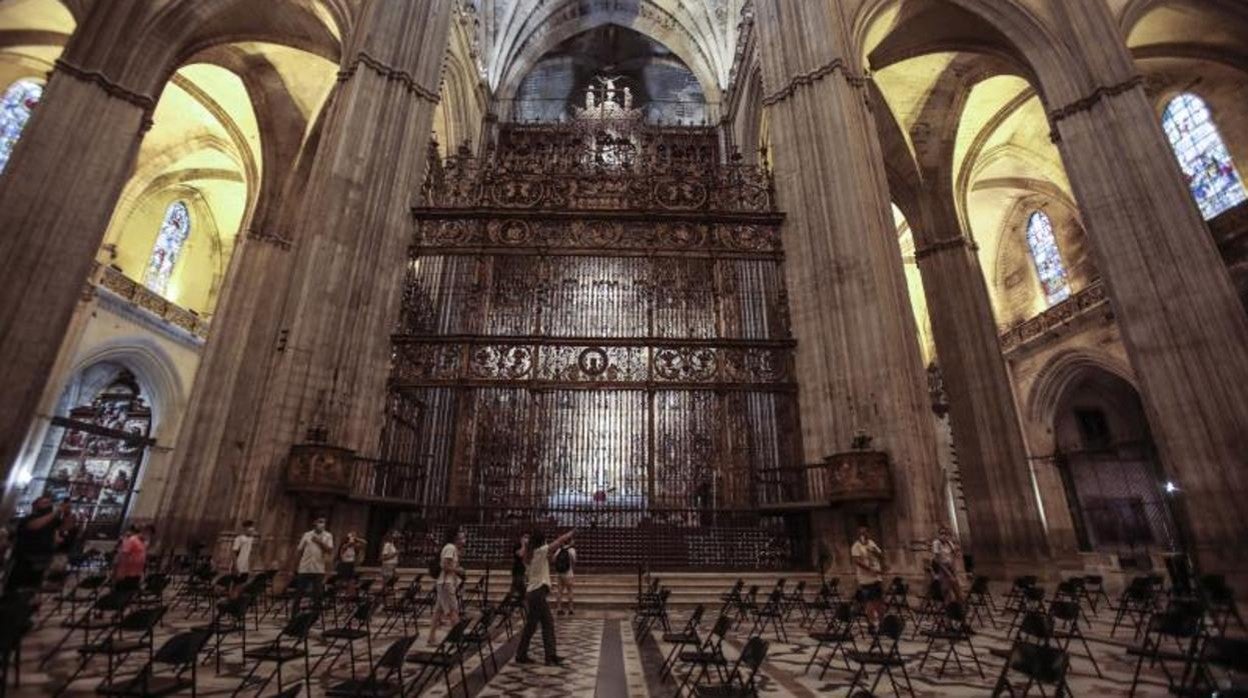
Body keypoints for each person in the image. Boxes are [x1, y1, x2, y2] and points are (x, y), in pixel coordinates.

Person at [516, 528, 577, 666]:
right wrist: (572, 532)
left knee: (533, 625)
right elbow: (558, 542)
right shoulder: (539, 551)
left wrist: (524, 543)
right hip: (538, 592)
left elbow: (523, 551)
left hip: (533, 592)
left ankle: (525, 654)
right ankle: (549, 656)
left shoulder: (528, 554)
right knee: (546, 623)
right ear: (542, 541)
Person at [8, 496, 69, 590]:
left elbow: (65, 527)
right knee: (18, 586)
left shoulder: (52, 520)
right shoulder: (28, 518)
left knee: (34, 586)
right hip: (26, 558)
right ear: (35, 505)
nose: (48, 505)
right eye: (44, 503)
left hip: (43, 557)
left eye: (49, 503)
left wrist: (67, 514)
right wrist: (55, 512)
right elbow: (35, 526)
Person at [428, 529, 465, 646]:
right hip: (446, 583)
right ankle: (459, 638)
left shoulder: (454, 549)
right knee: (453, 610)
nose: (464, 540)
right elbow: (444, 565)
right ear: (456, 538)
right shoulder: (450, 548)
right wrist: (458, 570)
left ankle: (431, 638)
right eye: (462, 537)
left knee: (438, 611)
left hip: (446, 582)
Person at [292, 517, 333, 615]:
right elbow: (299, 550)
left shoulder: (328, 535)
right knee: (299, 592)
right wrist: (295, 565)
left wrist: (319, 541)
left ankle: (315, 615)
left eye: (323, 522)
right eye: (319, 522)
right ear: (314, 523)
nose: (321, 524)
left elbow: (329, 550)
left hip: (318, 568)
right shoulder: (307, 535)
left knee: (317, 594)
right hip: (305, 567)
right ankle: (294, 614)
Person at [850, 526, 885, 625]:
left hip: (876, 576)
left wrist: (875, 552)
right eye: (862, 533)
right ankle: (872, 623)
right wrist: (869, 569)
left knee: (879, 600)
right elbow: (856, 561)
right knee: (869, 601)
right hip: (865, 578)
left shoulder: (871, 543)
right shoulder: (856, 546)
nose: (864, 535)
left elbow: (880, 554)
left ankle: (881, 622)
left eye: (865, 533)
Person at [931, 525, 963, 604]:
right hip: (941, 567)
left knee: (956, 586)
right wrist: (948, 572)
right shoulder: (936, 543)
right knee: (946, 588)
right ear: (939, 534)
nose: (944, 536)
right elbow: (937, 559)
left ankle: (960, 605)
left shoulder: (949, 543)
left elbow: (954, 554)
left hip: (950, 565)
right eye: (942, 533)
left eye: (946, 534)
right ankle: (948, 606)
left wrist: (953, 568)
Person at [554, 537, 577, 616]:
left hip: (560, 573)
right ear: (570, 542)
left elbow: (553, 559)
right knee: (570, 590)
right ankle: (570, 609)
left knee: (559, 591)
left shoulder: (559, 549)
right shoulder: (571, 550)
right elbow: (574, 561)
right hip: (568, 572)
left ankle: (559, 608)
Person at [510, 534, 529, 599]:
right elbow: (520, 554)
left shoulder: (527, 548)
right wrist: (523, 544)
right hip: (517, 570)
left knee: (519, 590)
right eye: (525, 537)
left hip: (522, 570)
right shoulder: (517, 546)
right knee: (517, 588)